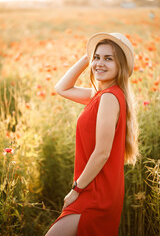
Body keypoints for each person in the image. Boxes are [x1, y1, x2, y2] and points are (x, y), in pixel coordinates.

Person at [45, 32, 139, 236]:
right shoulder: (100, 95)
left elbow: (102, 153)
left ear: (120, 65)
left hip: (95, 192)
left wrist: (76, 190)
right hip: (95, 187)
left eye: (108, 58)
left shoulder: (109, 98)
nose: (100, 63)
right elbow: (61, 88)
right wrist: (89, 57)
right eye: (97, 57)